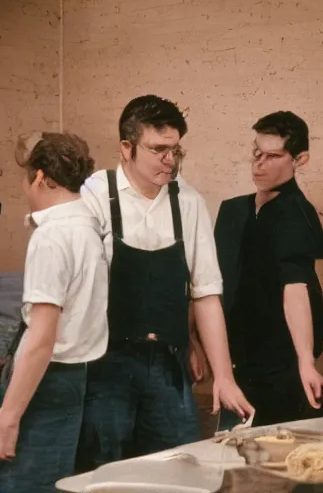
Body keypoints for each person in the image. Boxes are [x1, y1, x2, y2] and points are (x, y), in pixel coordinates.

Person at [76, 95, 253, 470]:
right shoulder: (95, 194)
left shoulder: (187, 202)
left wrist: (224, 376)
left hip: (167, 368)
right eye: (158, 150)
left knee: (180, 468)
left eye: (176, 150)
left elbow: (206, 295)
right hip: (107, 362)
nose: (170, 161)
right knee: (105, 469)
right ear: (127, 148)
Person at [0, 133, 108, 492]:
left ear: (40, 177)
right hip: (73, 379)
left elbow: (42, 337)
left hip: (44, 380)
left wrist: (9, 417)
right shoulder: (89, 226)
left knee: (24, 484)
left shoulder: (53, 235)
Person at [212, 111, 323, 427]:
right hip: (233, 370)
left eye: (273, 156)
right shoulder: (233, 211)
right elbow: (210, 285)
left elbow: (295, 286)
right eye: (256, 153)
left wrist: (306, 361)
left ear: (299, 159)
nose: (259, 164)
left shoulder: (298, 215)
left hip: (279, 373)